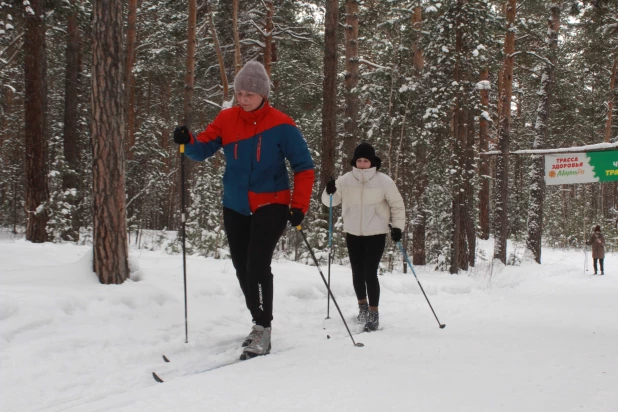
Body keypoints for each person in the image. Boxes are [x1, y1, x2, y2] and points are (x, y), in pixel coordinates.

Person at [173, 60, 315, 359]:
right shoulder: (226, 119)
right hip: (235, 203)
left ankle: (263, 328)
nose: (243, 98)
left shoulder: (283, 125)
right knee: (241, 268)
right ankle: (257, 320)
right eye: (239, 92)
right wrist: (188, 142)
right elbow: (203, 149)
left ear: (263, 94)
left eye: (249, 93)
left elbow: (304, 167)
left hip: (271, 202)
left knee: (257, 265)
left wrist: (299, 206)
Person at [321, 143, 405, 332]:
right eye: (359, 160)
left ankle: (373, 313)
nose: (362, 163)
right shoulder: (345, 180)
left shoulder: (384, 181)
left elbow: (397, 205)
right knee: (357, 273)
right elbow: (330, 202)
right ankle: (362, 308)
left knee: (369, 272)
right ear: (355, 161)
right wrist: (329, 190)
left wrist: (398, 227)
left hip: (376, 233)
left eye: (365, 160)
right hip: (353, 233)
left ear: (372, 162)